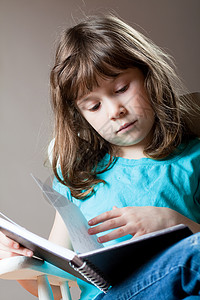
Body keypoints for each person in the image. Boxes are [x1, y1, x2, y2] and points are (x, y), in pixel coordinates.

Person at [0, 14, 200, 300]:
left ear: (148, 76)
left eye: (121, 89)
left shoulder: (193, 159)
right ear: (79, 116)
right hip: (111, 296)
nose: (114, 110)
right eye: (93, 106)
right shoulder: (80, 177)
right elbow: (56, 284)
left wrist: (175, 222)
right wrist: (15, 257)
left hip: (180, 283)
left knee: (193, 254)